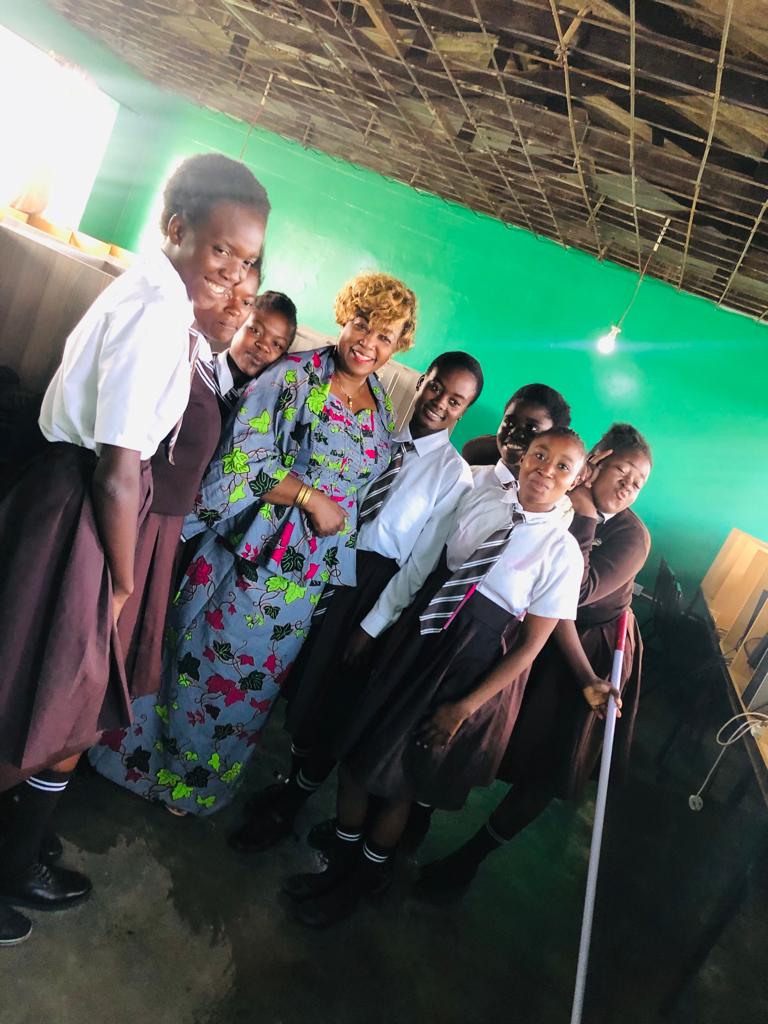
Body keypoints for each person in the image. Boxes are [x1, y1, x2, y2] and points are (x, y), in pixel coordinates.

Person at [0, 152, 269, 939]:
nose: (232, 275)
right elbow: (120, 470)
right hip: (85, 508)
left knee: (51, 706)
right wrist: (119, 582)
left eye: (248, 260)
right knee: (36, 702)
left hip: (85, 504)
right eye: (220, 251)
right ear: (176, 228)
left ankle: (15, 858)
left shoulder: (165, 304)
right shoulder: (156, 311)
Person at [89, 272, 417, 817]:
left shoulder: (382, 408)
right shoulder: (293, 377)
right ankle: (140, 766)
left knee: (251, 691)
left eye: (385, 336)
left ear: (398, 345)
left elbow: (361, 490)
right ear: (345, 317)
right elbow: (243, 458)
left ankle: (193, 787)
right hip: (249, 558)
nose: (368, 342)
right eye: (363, 323)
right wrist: (311, 497)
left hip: (304, 581)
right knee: (197, 667)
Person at [284, 427, 587, 926]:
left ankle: (357, 884)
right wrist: (383, 624)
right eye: (540, 455)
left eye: (562, 467)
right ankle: (338, 867)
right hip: (419, 640)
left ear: (575, 481)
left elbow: (530, 648)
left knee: (399, 780)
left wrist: (463, 708)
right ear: (525, 456)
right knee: (355, 755)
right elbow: (432, 566)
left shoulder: (562, 553)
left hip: (467, 668)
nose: (545, 471)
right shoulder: (486, 498)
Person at [229, 351, 484, 852]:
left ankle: (291, 804)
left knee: (329, 699)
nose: (439, 403)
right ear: (422, 381)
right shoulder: (379, 431)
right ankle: (274, 777)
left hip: (370, 586)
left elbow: (418, 563)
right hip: (317, 556)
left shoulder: (454, 475)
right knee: (291, 675)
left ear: (463, 411)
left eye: (455, 401)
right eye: (436, 387)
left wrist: (373, 624)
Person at [417, 423, 652, 897]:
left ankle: (468, 861)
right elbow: (484, 449)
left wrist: (583, 508)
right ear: (597, 459)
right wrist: (535, 458)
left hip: (591, 649)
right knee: (484, 726)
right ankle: (415, 817)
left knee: (547, 762)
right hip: (535, 629)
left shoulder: (630, 536)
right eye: (623, 471)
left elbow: (575, 597)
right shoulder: (555, 487)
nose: (628, 487)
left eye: (639, 482)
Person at [461, 382, 570, 471]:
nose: (515, 432)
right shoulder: (473, 470)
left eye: (531, 428)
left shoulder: (557, 492)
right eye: (509, 422)